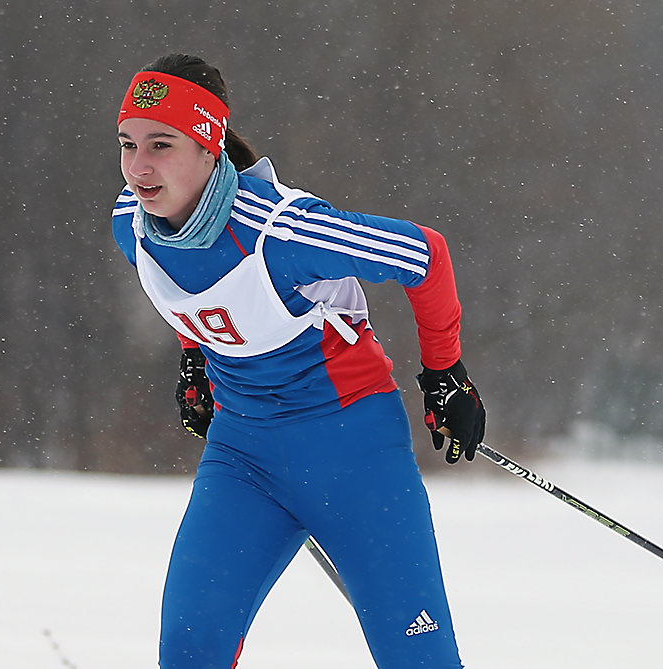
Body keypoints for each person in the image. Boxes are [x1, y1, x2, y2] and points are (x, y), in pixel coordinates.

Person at [111, 52, 485, 669]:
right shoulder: (135, 224)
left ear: (209, 148)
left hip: (353, 452)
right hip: (244, 458)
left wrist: (445, 374)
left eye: (161, 144)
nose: (138, 167)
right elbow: (188, 298)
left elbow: (426, 254)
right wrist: (195, 363)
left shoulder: (283, 232)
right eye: (128, 144)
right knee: (189, 652)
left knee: (419, 659)